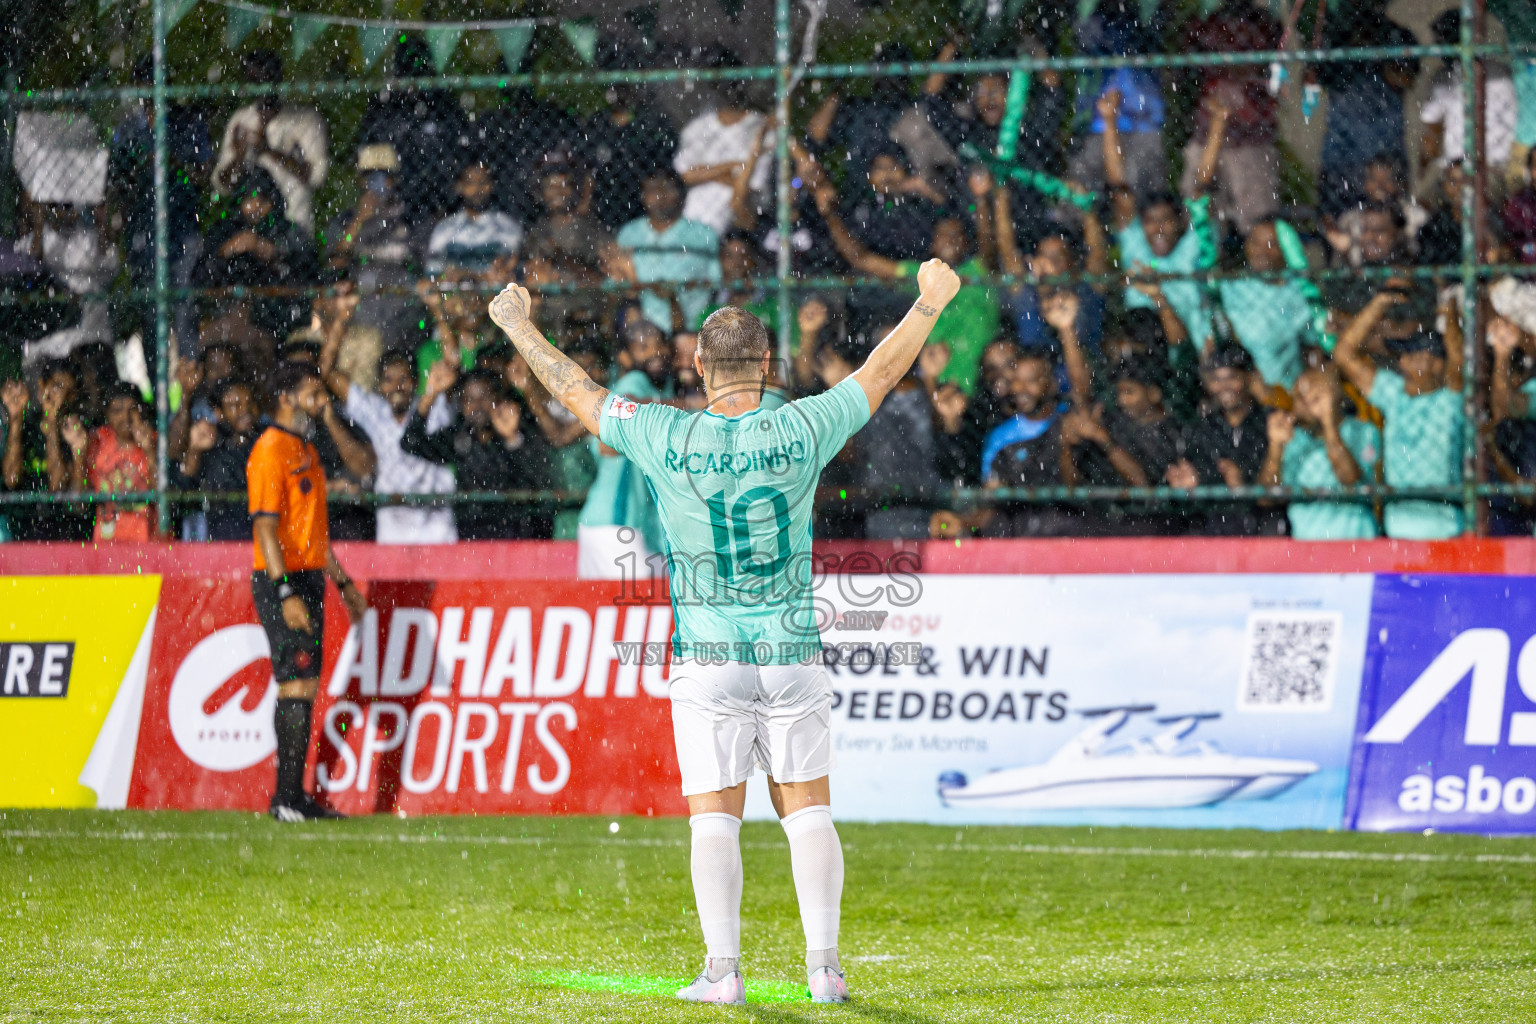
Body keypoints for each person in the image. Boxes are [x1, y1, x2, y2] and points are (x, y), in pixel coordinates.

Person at [487, 257, 964, 1006]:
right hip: (791, 647)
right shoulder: (804, 423)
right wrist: (930, 304)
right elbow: (879, 372)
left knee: (714, 817)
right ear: (767, 365)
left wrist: (519, 326)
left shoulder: (664, 432)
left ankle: (723, 972)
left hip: (709, 654)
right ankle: (825, 970)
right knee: (809, 810)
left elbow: (576, 390)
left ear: (700, 367)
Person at [247, 361, 367, 821]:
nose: (322, 401)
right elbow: (265, 529)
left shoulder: (307, 450)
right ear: (286, 398)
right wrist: (284, 592)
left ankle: (293, 797)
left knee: (306, 684)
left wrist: (344, 584)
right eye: (313, 393)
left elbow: (314, 533)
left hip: (310, 577)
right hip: (282, 581)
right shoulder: (269, 451)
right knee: (294, 682)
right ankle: (285, 800)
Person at [1332, 289, 1465, 539]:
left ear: (1436, 364)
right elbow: (1344, 354)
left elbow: (1457, 360)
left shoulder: (1449, 400)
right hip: (1397, 528)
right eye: (1403, 354)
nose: (1403, 361)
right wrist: (1379, 303)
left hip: (1444, 529)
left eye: (1412, 354)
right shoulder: (1393, 393)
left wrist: (1450, 313)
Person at [1104, 90, 1225, 351]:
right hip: (1145, 355)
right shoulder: (1136, 245)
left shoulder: (1193, 245)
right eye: (1150, 220)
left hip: (1196, 352)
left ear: (1180, 222)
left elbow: (1201, 190)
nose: (1158, 228)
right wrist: (1109, 121)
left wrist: (1217, 126)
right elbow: (1120, 190)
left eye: (1166, 220)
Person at [319, 336, 456, 544]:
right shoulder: (375, 411)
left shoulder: (434, 405)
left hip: (437, 527)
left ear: (416, 381)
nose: (396, 387)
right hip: (393, 531)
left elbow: (453, 366)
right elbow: (326, 371)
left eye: (404, 379)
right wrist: (341, 321)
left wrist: (440, 317)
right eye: (388, 380)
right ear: (379, 385)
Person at [400, 364, 550, 539]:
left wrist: (513, 439)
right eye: (469, 399)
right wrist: (430, 394)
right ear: (461, 404)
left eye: (484, 397)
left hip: (517, 536)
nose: (477, 406)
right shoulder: (459, 436)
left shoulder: (519, 429)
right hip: (472, 536)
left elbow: (538, 482)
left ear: (498, 398)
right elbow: (410, 443)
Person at [1179, 0, 1282, 234]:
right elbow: (1190, 73)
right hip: (1207, 132)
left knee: (1257, 222)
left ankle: (1254, 252)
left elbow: (1262, 66)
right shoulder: (1203, 23)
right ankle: (1206, 250)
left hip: (1251, 136)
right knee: (1197, 210)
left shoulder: (1264, 23)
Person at [211, 50, 329, 232]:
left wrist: (268, 150)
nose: (261, 88)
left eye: (266, 78)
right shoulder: (241, 121)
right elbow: (223, 184)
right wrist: (239, 156)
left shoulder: (305, 120)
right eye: (254, 81)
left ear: (278, 78)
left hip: (294, 224)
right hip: (248, 226)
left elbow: (315, 177)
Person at [1260, 366, 1380, 540]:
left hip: (1358, 542)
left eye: (1315, 397)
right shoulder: (1293, 438)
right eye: (1299, 397)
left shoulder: (1363, 430)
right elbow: (1267, 499)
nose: (1305, 404)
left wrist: (1328, 423)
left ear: (1335, 397)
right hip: (1308, 547)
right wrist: (1275, 447)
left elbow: (1350, 482)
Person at [672, 58, 774, 235]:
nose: (728, 88)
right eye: (722, 82)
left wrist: (707, 174)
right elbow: (685, 176)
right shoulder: (698, 128)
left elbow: (749, 190)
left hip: (739, 226)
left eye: (734, 82)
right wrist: (731, 168)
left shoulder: (760, 128)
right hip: (693, 221)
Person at [617, 170, 721, 332]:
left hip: (695, 326)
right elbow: (618, 280)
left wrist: (684, 286)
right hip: (640, 328)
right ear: (642, 196)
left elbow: (716, 281)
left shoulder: (703, 234)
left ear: (681, 195)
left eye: (667, 188)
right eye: (652, 189)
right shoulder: (629, 234)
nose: (660, 195)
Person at [178, 377, 263, 541]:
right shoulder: (213, 445)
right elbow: (184, 488)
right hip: (222, 540)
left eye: (249, 403)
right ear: (219, 413)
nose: (245, 410)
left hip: (260, 536)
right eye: (235, 405)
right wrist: (194, 450)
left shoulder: (266, 440)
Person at [426, 160, 524, 275]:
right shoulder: (444, 228)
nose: (478, 188)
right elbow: (433, 272)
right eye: (470, 182)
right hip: (454, 286)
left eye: (483, 181)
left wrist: (465, 274)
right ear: (459, 186)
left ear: (491, 185)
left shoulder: (507, 226)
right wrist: (446, 277)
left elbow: (511, 268)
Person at [87, 384, 157, 542]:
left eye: (132, 410)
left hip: (147, 544)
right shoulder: (97, 443)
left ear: (141, 411)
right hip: (106, 543)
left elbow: (164, 496)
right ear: (107, 415)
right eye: (117, 410)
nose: (125, 417)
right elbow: (79, 500)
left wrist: (149, 450)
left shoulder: (155, 441)